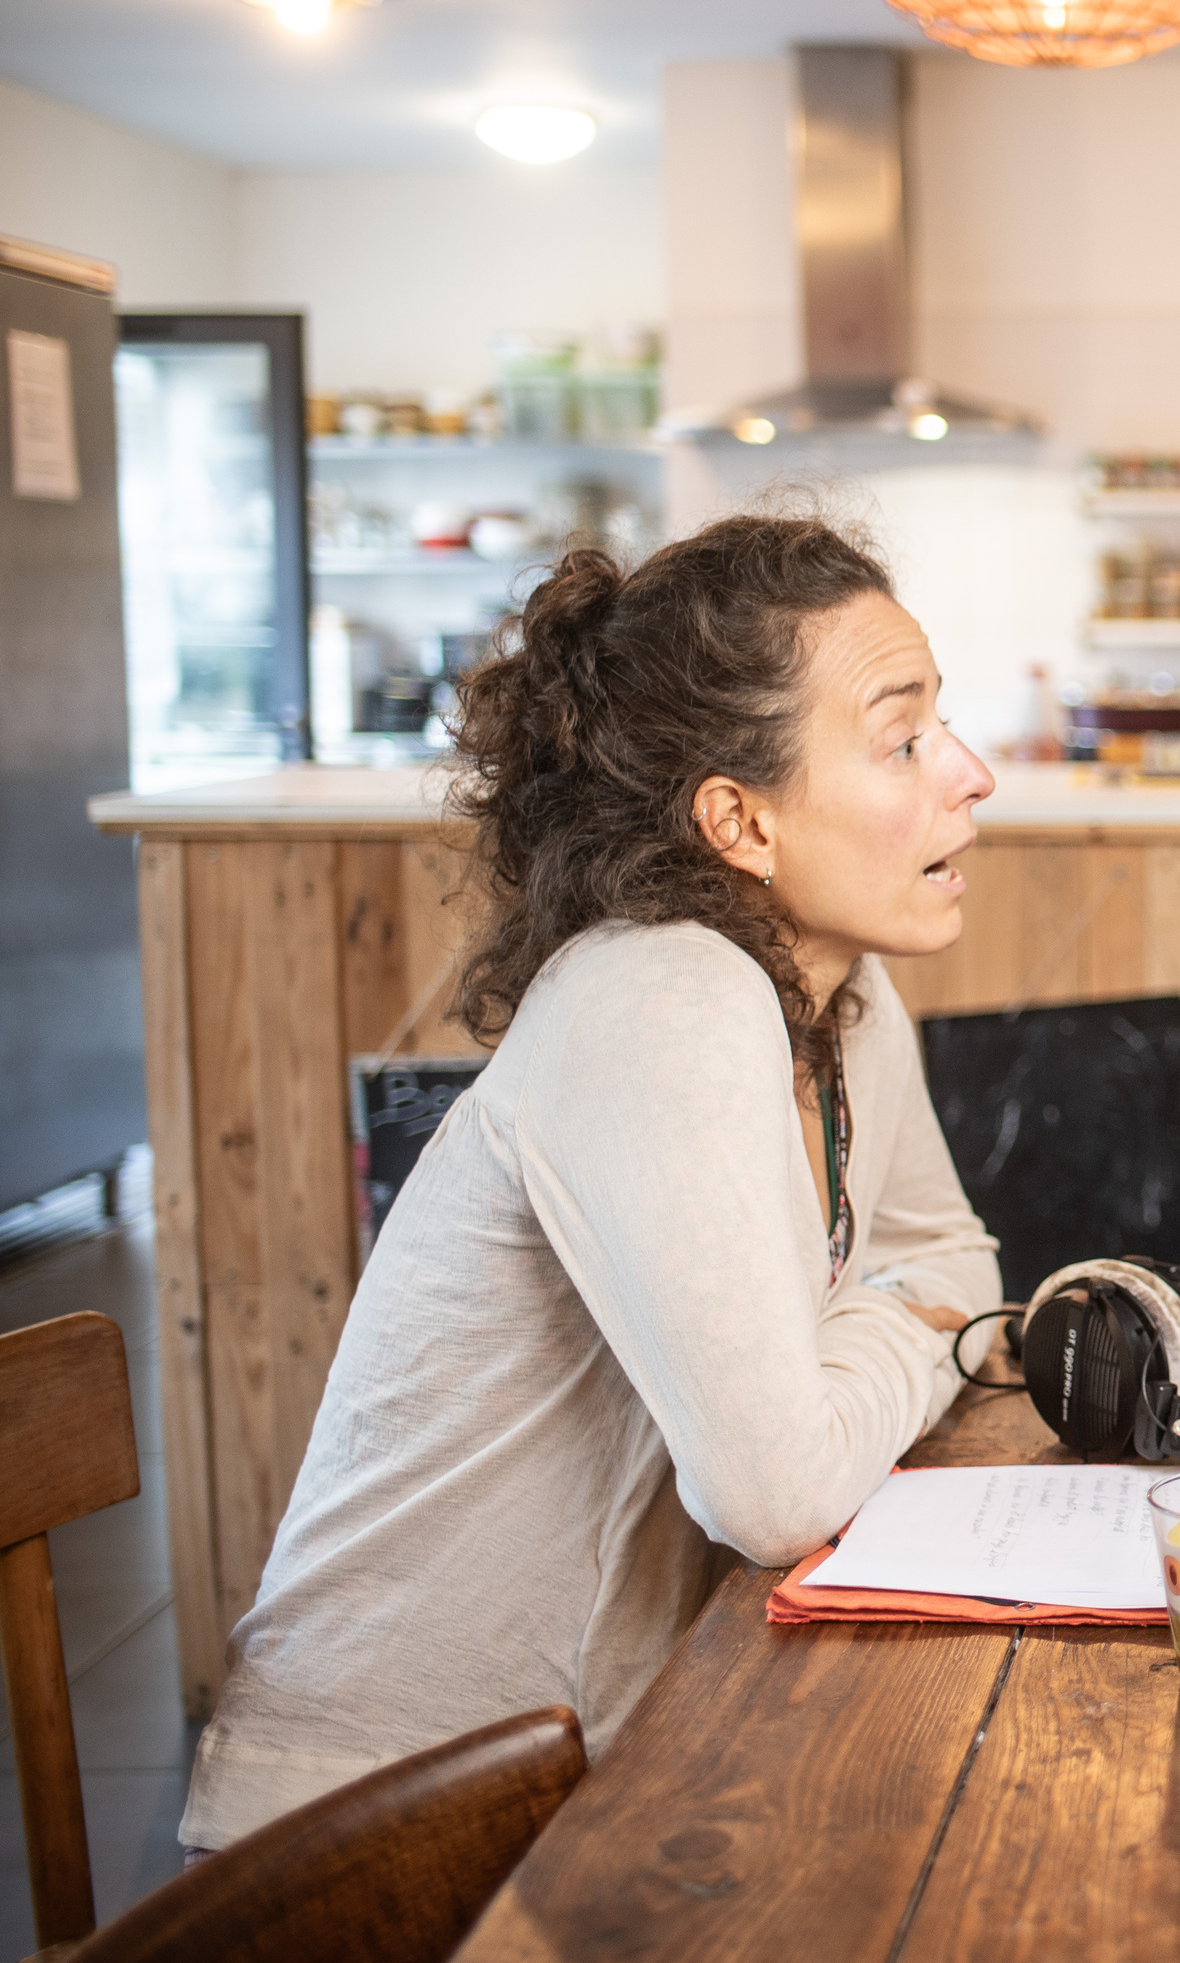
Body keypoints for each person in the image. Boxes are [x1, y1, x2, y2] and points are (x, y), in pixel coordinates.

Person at [180, 514, 1003, 1850]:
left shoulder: (846, 999)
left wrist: (898, 1327)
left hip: (604, 1773)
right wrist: (899, 1327)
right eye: (903, 740)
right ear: (738, 819)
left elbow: (959, 1266)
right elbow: (778, 1493)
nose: (971, 774)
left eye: (943, 727)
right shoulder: (662, 996)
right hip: (376, 1839)